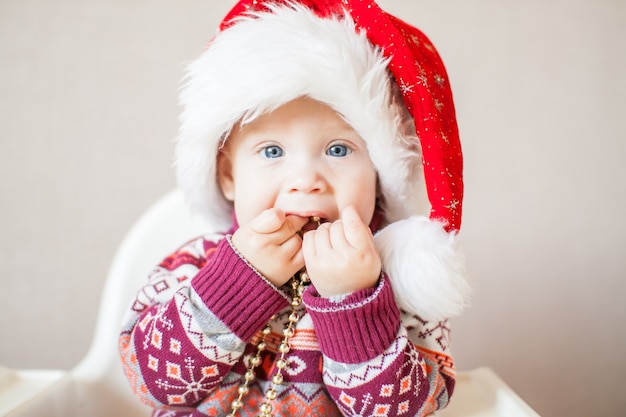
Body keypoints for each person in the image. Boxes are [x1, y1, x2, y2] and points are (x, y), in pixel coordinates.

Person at [119, 1, 470, 416]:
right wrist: (231, 288)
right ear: (228, 175)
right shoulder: (193, 265)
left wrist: (352, 300)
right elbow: (152, 382)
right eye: (272, 150)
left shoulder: (401, 283)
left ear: (378, 175)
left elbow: (407, 410)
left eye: (339, 149)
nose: (306, 180)